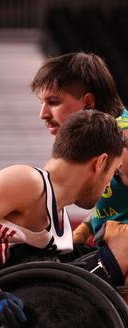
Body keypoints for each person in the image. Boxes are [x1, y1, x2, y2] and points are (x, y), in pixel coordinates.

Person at [0, 110, 125, 328]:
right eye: (113, 173)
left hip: (36, 296)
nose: (109, 185)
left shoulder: (58, 208)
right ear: (100, 163)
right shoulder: (29, 182)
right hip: (8, 306)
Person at [30, 52, 128, 248]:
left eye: (53, 102)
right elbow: (117, 204)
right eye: (42, 103)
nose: (43, 114)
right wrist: (86, 228)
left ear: (88, 103)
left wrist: (119, 233)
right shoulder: (101, 136)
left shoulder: (124, 144)